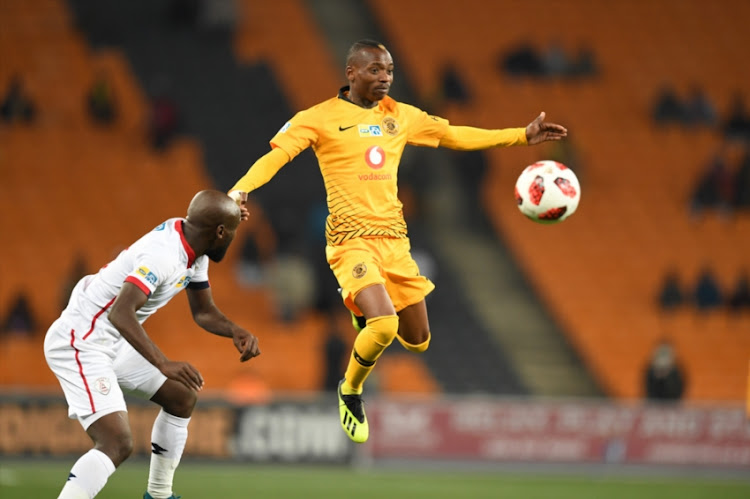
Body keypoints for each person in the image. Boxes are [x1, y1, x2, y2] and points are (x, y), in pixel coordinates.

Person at [228, 40, 566, 443]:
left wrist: (520, 136)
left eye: (389, 70)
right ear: (351, 73)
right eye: (375, 70)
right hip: (350, 242)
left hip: (394, 242)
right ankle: (351, 389)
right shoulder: (318, 118)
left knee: (418, 341)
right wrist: (240, 190)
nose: (385, 77)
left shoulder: (401, 117)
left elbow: (454, 135)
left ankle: (362, 308)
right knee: (384, 325)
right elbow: (277, 156)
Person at [43, 190, 260, 498]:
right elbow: (121, 312)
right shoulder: (164, 256)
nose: (233, 239)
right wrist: (162, 363)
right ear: (220, 232)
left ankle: (158, 495)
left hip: (111, 340)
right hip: (82, 340)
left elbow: (203, 311)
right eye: (232, 232)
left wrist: (235, 330)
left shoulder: (194, 242)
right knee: (116, 443)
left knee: (182, 397)